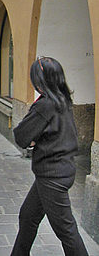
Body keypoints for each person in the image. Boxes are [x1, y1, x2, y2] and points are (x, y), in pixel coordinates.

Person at [10, 56, 89, 256]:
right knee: (28, 216)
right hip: (59, 170)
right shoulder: (63, 100)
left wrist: (34, 140)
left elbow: (21, 135)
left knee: (66, 230)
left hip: (52, 175)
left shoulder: (45, 105)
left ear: (40, 80)